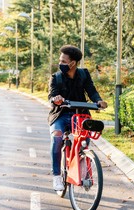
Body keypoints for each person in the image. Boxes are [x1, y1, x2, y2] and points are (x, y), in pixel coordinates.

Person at [48, 45, 108, 191]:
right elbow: (51, 96)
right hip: (60, 114)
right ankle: (56, 176)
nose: (60, 64)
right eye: (60, 61)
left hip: (80, 114)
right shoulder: (56, 77)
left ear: (72, 63)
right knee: (57, 137)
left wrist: (99, 101)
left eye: (63, 61)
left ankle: (81, 168)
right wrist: (55, 99)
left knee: (83, 142)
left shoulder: (84, 74)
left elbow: (92, 91)